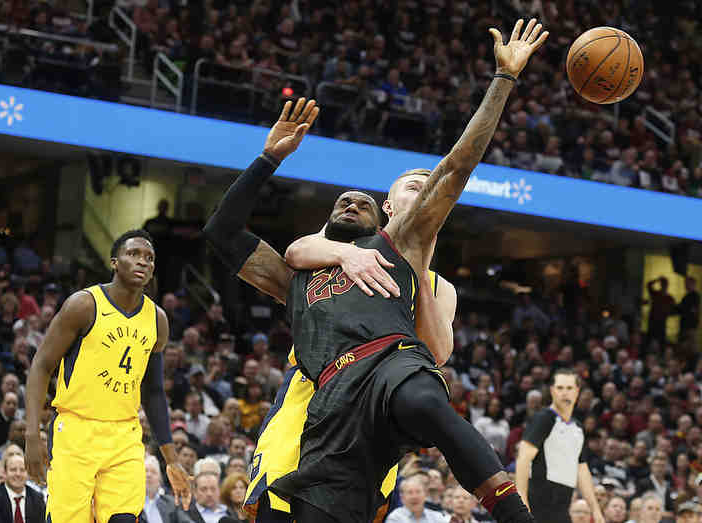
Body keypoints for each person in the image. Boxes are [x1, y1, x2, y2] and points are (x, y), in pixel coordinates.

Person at [205, 16, 547, 523]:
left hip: (388, 372)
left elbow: (455, 168)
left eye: (360, 201)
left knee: (426, 405)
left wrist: (504, 79)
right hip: (317, 394)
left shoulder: (412, 258)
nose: (350, 200)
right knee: (279, 507)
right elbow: (221, 235)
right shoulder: (299, 270)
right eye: (342, 200)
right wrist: (267, 159)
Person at [23, 229, 193, 523]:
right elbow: (41, 365)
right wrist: (31, 434)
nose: (142, 262)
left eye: (149, 258)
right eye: (133, 254)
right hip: (76, 430)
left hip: (124, 435)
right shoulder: (84, 305)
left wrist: (172, 460)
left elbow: (153, 392)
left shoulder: (157, 319)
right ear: (115, 262)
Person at [516, 369, 603, 523]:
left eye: (569, 388)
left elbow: (582, 470)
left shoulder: (578, 427)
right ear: (552, 391)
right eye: (560, 388)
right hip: (538, 502)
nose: (565, 393)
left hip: (563, 504)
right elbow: (523, 459)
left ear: (577, 391)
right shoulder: (543, 419)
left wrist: (596, 510)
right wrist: (522, 504)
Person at [0, 454, 45, 523]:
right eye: (13, 470)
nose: (18, 474)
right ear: (5, 473)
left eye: (22, 470)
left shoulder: (37, 498)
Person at [140, 455, 194, 523]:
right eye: (145, 471)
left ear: (160, 481)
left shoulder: (170, 503)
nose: (149, 475)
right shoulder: (131, 502)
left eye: (153, 472)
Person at [646, 277, 675, 344]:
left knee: (659, 341)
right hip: (654, 322)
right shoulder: (657, 294)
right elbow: (648, 285)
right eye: (664, 284)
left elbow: (673, 311)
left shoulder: (669, 298)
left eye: (665, 284)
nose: (664, 286)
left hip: (659, 322)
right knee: (652, 340)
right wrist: (658, 279)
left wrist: (657, 280)